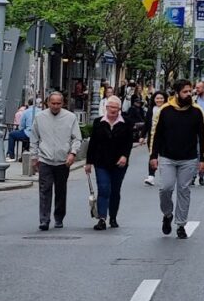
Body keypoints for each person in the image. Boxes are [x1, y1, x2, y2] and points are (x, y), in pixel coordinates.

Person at [149, 80, 204, 239]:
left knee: (184, 190)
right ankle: (167, 214)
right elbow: (156, 134)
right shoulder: (165, 110)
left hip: (188, 158)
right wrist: (153, 155)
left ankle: (181, 224)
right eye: (185, 92)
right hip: (167, 157)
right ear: (177, 93)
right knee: (165, 188)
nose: (189, 94)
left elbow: (203, 136)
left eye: (190, 91)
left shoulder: (197, 111)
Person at [30, 91, 82, 231]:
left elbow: (77, 138)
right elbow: (34, 139)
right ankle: (44, 219)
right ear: (48, 103)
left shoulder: (70, 118)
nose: (55, 106)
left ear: (63, 103)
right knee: (45, 190)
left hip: (63, 160)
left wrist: (72, 153)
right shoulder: (40, 117)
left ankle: (59, 217)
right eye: (53, 103)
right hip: (45, 159)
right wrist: (34, 157)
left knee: (60, 190)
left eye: (58, 103)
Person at [85, 95, 132, 230]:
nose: (113, 110)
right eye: (110, 107)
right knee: (104, 188)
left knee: (115, 190)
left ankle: (113, 217)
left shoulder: (126, 122)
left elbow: (129, 142)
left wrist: (125, 156)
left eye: (116, 107)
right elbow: (93, 143)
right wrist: (89, 162)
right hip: (101, 162)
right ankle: (102, 218)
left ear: (119, 109)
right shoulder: (98, 122)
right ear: (106, 108)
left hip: (119, 162)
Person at [142, 90, 166, 186]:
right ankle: (151, 176)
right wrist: (142, 136)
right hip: (152, 136)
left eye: (161, 98)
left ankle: (166, 176)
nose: (159, 100)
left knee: (165, 157)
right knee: (153, 155)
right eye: (157, 98)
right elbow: (147, 123)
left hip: (165, 137)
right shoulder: (151, 109)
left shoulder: (168, 109)